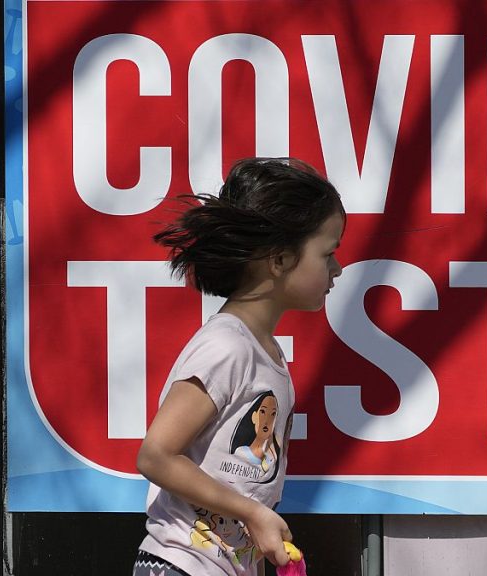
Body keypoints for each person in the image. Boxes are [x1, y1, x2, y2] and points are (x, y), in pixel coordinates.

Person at [133, 157, 345, 576]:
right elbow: (156, 456)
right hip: (180, 566)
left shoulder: (264, 353)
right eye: (328, 254)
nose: (337, 269)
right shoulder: (227, 347)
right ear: (280, 260)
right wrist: (252, 513)